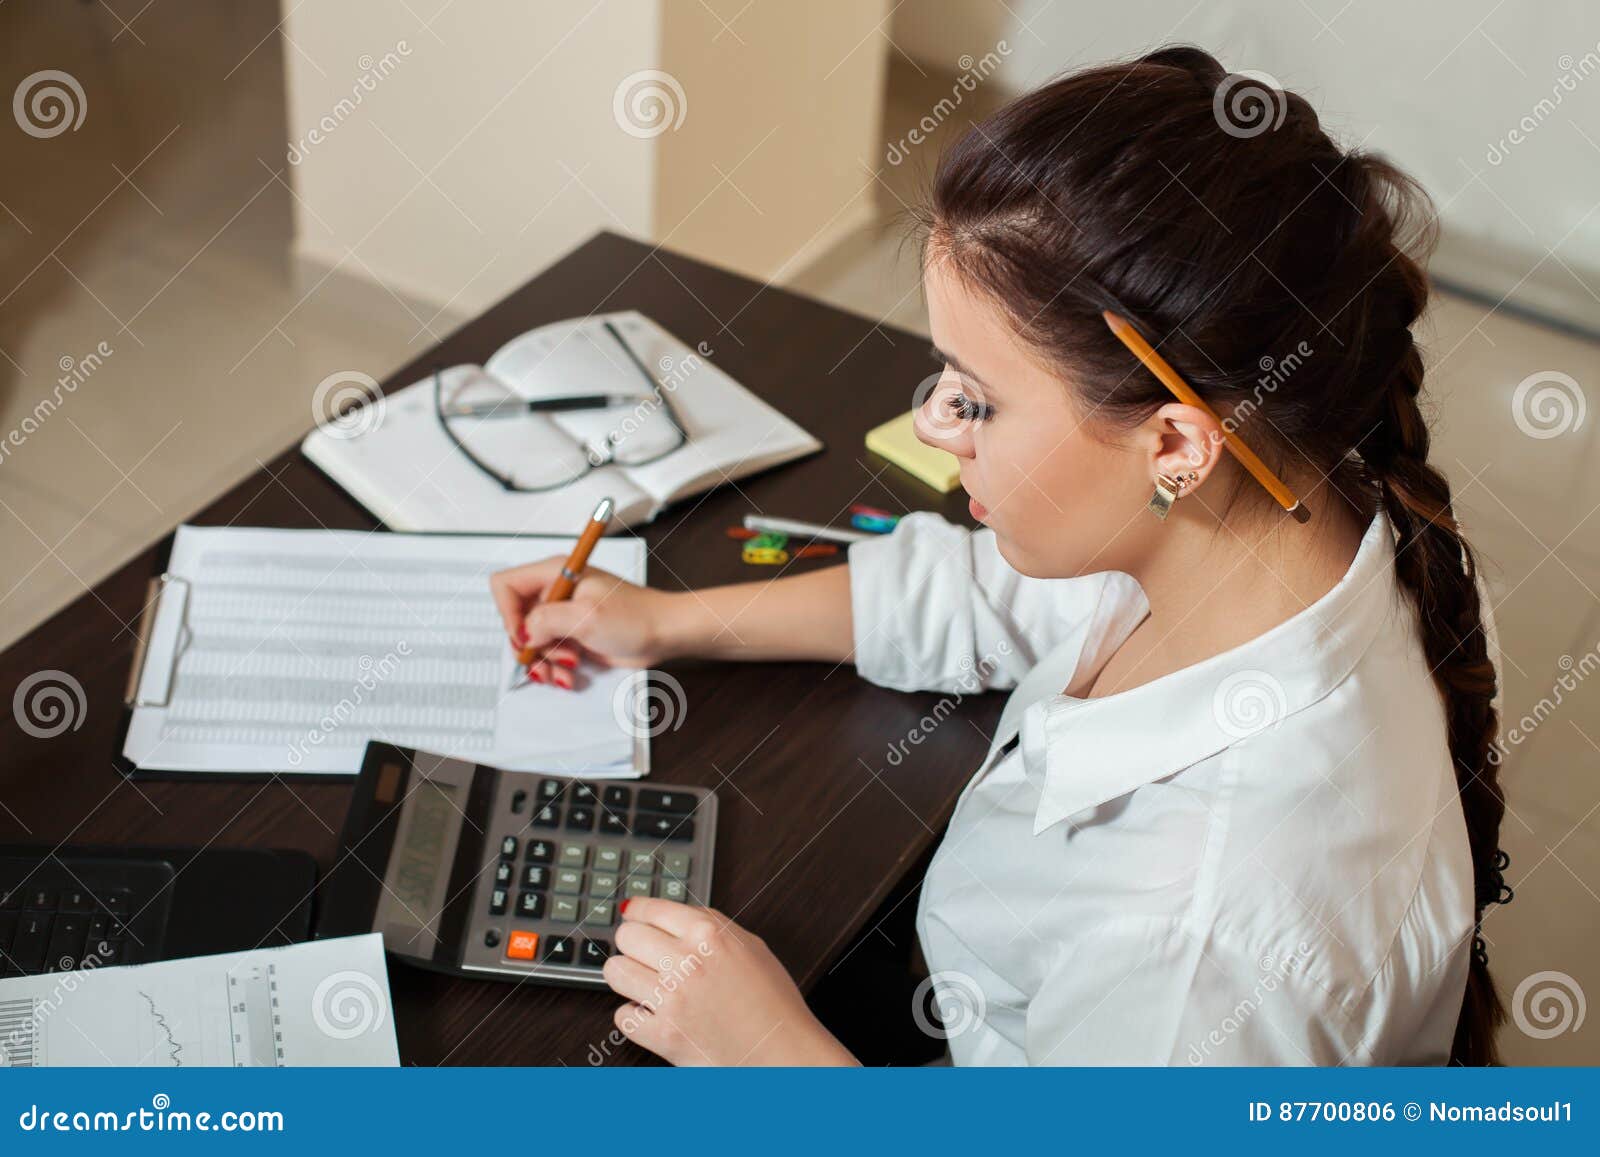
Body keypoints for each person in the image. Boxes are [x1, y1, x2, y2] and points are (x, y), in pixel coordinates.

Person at [490, 46, 1510, 1066]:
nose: (934, 425)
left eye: (975, 396)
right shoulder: (1292, 508)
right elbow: (991, 594)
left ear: (1173, 444)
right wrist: (671, 620)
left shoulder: (1195, 942)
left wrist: (766, 1050)